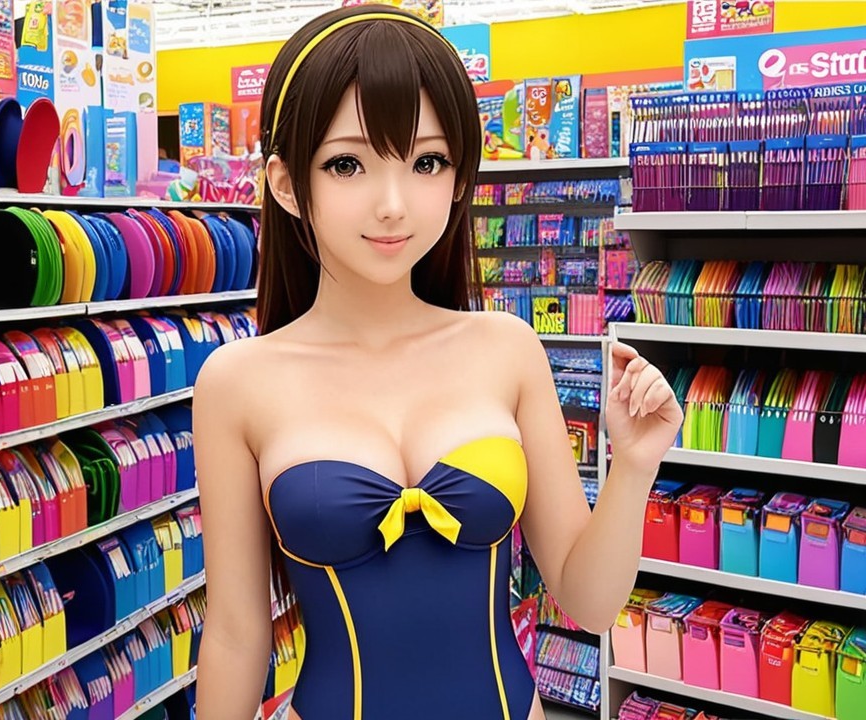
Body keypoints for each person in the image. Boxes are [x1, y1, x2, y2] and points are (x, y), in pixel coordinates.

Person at [191, 6, 684, 720]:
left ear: (458, 178)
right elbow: (238, 637)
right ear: (288, 183)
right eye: (347, 163)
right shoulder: (238, 383)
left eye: (426, 161)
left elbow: (588, 600)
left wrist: (633, 463)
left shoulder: (505, 347)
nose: (393, 204)